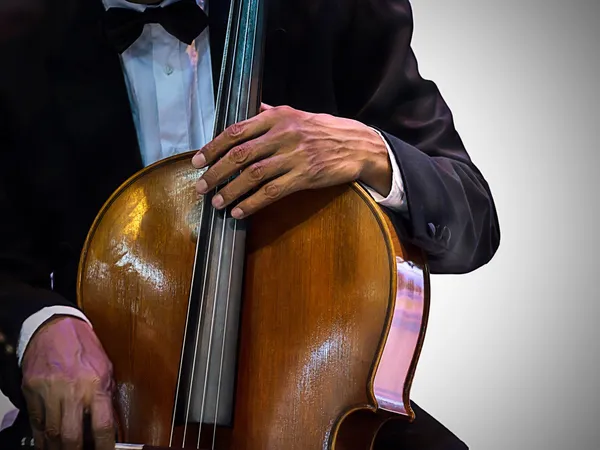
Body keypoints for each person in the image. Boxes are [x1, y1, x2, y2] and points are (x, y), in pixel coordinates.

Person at [0, 0, 500, 448]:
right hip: (110, 411)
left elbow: (472, 215)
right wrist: (34, 325)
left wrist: (368, 149)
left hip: (314, 410)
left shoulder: (337, 11)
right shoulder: (15, 34)